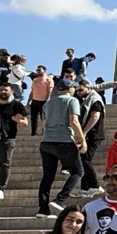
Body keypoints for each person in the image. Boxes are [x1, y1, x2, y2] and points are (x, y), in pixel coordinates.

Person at [36, 79, 86, 217]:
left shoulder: (48, 103)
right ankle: (60, 199)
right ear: (70, 89)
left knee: (47, 176)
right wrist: (82, 140)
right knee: (78, 172)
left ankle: (43, 208)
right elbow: (74, 121)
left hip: (46, 141)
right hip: (64, 140)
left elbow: (43, 122)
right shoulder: (72, 101)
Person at [28, 66, 53, 135]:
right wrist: (28, 101)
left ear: (44, 70)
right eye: (37, 70)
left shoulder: (49, 79)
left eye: (39, 70)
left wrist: (48, 100)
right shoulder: (35, 80)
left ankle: (44, 131)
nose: (37, 71)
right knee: (33, 118)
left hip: (44, 101)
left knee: (43, 118)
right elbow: (32, 91)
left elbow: (50, 91)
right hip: (35, 100)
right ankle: (34, 132)